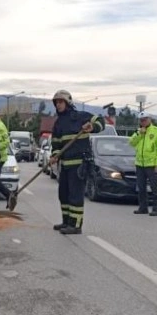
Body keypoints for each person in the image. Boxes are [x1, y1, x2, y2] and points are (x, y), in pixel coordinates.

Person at [49, 89, 104, 235]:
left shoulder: (80, 117)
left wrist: (92, 127)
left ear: (68, 102)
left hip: (79, 165)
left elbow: (100, 120)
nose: (58, 105)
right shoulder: (58, 124)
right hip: (65, 166)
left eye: (61, 102)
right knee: (64, 194)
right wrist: (54, 156)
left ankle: (76, 225)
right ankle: (66, 221)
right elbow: (56, 144)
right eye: (56, 103)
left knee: (75, 195)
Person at [129, 111, 157, 216]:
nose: (143, 122)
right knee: (141, 188)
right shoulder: (138, 132)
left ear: (150, 119)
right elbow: (131, 142)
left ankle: (156, 208)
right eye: (141, 120)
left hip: (152, 165)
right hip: (140, 164)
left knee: (155, 187)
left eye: (145, 119)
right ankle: (143, 207)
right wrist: (139, 134)